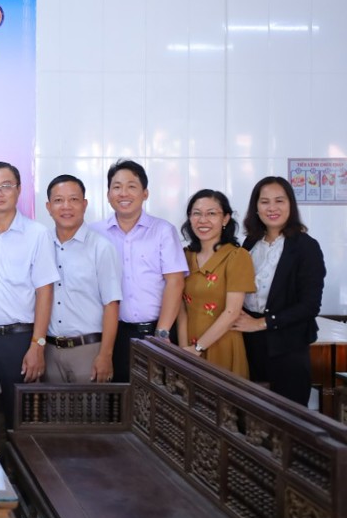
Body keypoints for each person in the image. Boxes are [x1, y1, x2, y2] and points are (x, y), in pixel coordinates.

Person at [0, 162, 58, 444]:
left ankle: (19, 472)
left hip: (19, 340)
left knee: (21, 418)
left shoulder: (37, 233)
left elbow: (45, 291)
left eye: (5, 186)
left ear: (18, 189)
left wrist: (37, 345)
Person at [92, 160, 187, 382]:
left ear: (145, 193)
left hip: (157, 332)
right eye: (116, 187)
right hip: (111, 335)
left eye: (131, 186)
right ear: (108, 194)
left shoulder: (163, 231)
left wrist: (162, 333)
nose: (123, 193)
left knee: (158, 396)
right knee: (118, 395)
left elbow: (175, 282)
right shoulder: (95, 233)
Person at [234, 176, 325, 405]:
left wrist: (261, 323)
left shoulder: (306, 246)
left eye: (279, 201)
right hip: (249, 342)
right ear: (256, 208)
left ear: (290, 205)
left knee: (286, 414)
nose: (272, 208)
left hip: (288, 345)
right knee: (251, 412)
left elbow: (310, 306)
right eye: (264, 202)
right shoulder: (250, 243)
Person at [43, 174, 121, 384]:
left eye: (74, 199)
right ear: (48, 207)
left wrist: (105, 355)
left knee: (91, 406)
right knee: (50, 406)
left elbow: (111, 304)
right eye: (58, 200)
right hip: (49, 351)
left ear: (84, 204)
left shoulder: (101, 247)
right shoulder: (41, 244)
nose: (66, 206)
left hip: (88, 351)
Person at [177, 189, 255, 376]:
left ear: (225, 219)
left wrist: (199, 347)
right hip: (189, 347)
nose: (203, 220)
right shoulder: (184, 255)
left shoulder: (237, 256)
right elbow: (180, 309)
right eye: (196, 213)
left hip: (223, 344)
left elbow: (232, 312)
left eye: (211, 213)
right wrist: (184, 350)